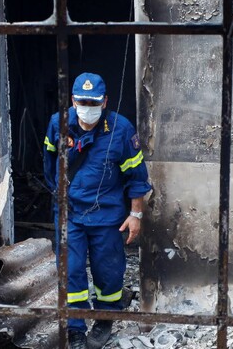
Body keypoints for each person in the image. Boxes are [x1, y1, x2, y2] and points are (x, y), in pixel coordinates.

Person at [43, 72, 152, 349]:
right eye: (82, 102)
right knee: (72, 271)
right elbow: (49, 163)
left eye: (93, 103)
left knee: (109, 273)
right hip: (70, 215)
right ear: (72, 100)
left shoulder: (121, 129)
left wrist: (135, 215)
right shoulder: (59, 124)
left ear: (104, 102)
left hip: (108, 215)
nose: (87, 108)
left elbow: (137, 177)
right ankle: (76, 327)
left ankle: (105, 317)